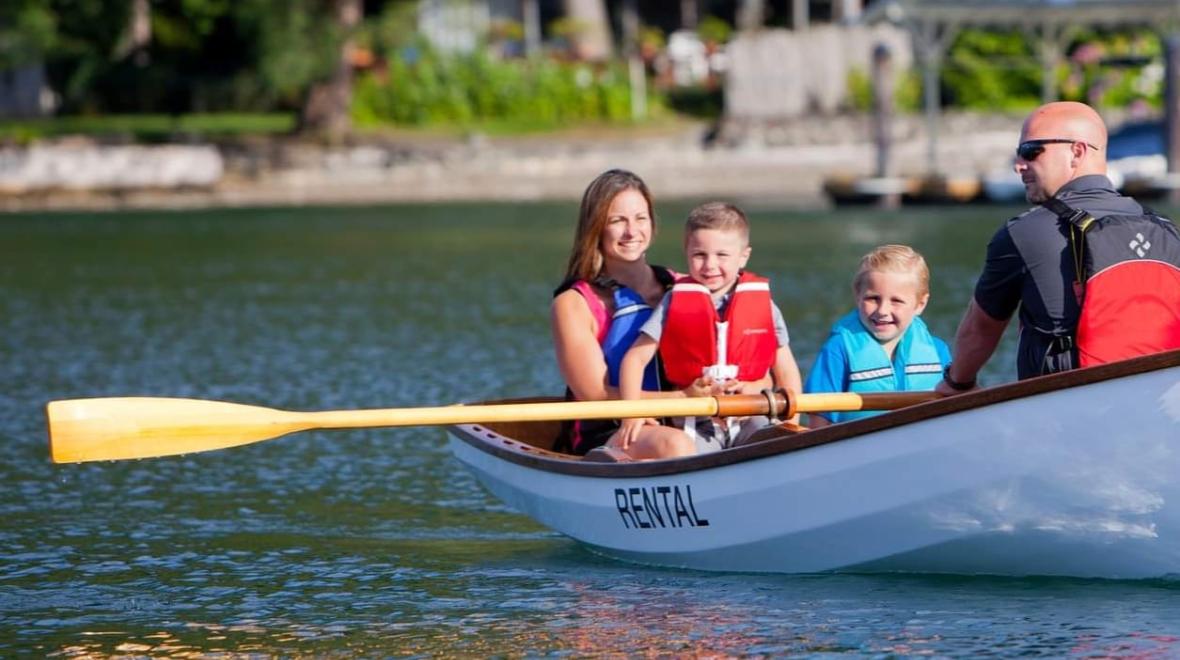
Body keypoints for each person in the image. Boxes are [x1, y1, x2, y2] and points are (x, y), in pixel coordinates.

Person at [937, 101, 1180, 396]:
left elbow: (980, 330)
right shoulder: (1165, 228)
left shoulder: (1024, 232)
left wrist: (956, 383)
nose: (1019, 165)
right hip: (1157, 404)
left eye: (1031, 151)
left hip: (1067, 412)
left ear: (1077, 151)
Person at [615, 201, 803, 453]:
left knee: (776, 441)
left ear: (743, 256)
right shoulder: (674, 302)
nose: (710, 265)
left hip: (751, 417)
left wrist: (792, 421)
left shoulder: (764, 304)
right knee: (693, 455)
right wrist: (632, 413)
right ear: (687, 253)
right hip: (697, 423)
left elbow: (786, 368)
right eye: (699, 255)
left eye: (722, 255)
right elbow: (635, 360)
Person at [551, 169, 699, 460]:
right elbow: (594, 394)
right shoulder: (574, 303)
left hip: (689, 418)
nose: (632, 232)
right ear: (596, 228)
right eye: (618, 221)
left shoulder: (684, 287)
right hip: (613, 431)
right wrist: (683, 400)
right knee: (676, 445)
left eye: (640, 218)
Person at [804, 245, 950, 427]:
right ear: (858, 296)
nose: (882, 311)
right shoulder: (839, 349)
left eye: (896, 301)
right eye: (873, 298)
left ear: (920, 304)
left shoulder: (938, 351)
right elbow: (818, 420)